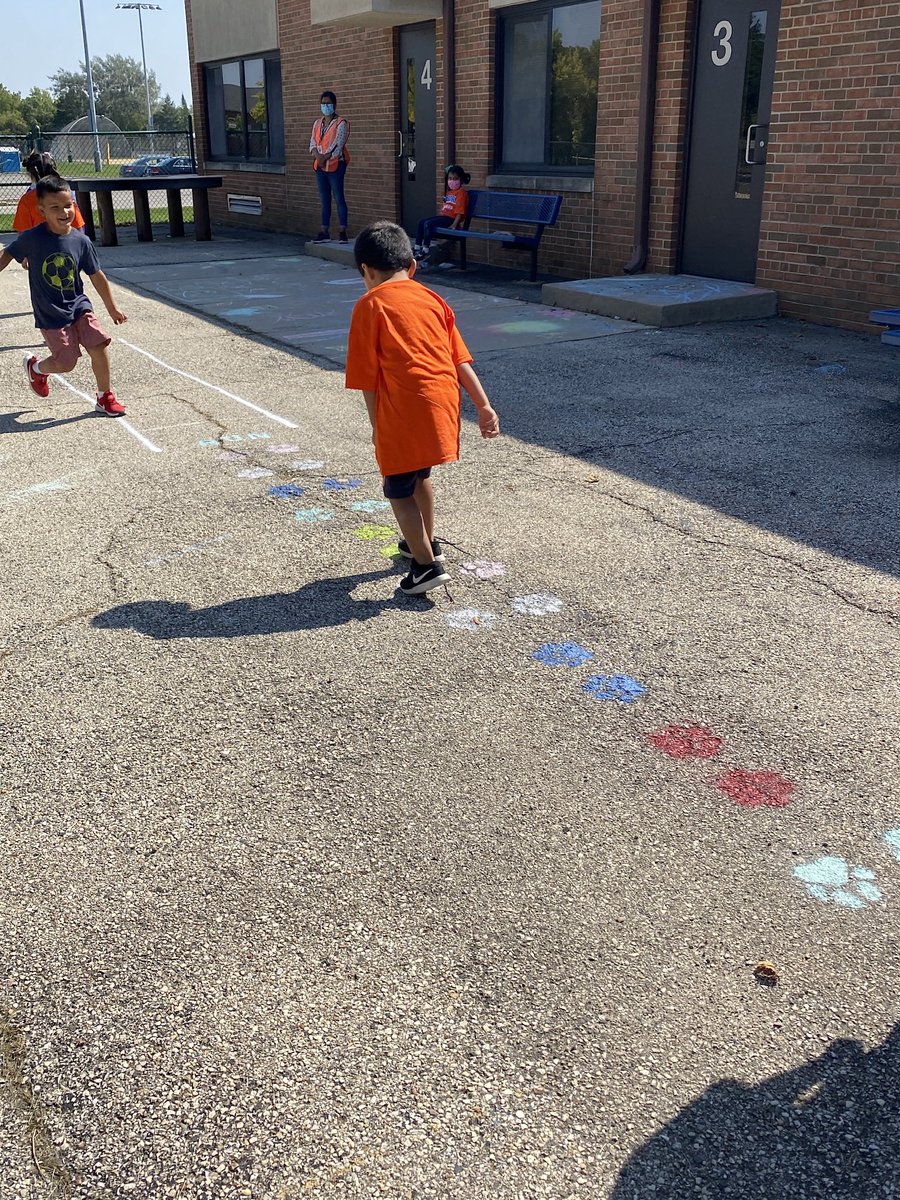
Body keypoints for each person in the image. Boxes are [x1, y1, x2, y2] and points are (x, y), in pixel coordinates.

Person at [345, 221, 500, 596]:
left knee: (397, 488)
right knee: (420, 478)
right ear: (411, 266)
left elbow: (367, 379)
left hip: (403, 409)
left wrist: (377, 427)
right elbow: (460, 359)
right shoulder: (433, 300)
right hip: (442, 402)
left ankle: (426, 567)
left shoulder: (369, 305)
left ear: (366, 271)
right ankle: (425, 542)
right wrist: (484, 406)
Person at [0, 175, 128, 418]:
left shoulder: (80, 240)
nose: (64, 212)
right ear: (42, 210)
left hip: (79, 304)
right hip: (49, 311)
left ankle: (105, 397)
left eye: (68, 205)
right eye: (55, 207)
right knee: (66, 362)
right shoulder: (32, 238)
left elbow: (96, 275)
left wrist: (112, 308)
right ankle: (36, 368)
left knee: (98, 344)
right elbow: (7, 253)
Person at [309, 90, 350, 244]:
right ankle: (324, 231)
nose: (325, 106)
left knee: (338, 197)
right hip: (319, 166)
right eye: (323, 103)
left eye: (328, 103)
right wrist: (317, 155)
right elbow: (313, 142)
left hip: (335, 165)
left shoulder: (341, 123)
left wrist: (324, 156)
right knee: (324, 199)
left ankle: (342, 231)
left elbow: (337, 145)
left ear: (334, 104)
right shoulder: (317, 123)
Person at [13, 151, 86, 232]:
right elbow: (79, 227)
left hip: (38, 243)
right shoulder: (66, 193)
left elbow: (23, 233)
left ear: (31, 175)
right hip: (66, 242)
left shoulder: (27, 199)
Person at [413, 164, 471, 259]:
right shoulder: (449, 192)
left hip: (451, 219)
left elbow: (460, 212)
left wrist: (454, 225)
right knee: (421, 222)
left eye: (455, 179)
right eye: (450, 178)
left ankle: (425, 250)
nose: (452, 181)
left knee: (428, 224)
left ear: (461, 179)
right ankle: (417, 247)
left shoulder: (461, 193)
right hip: (443, 217)